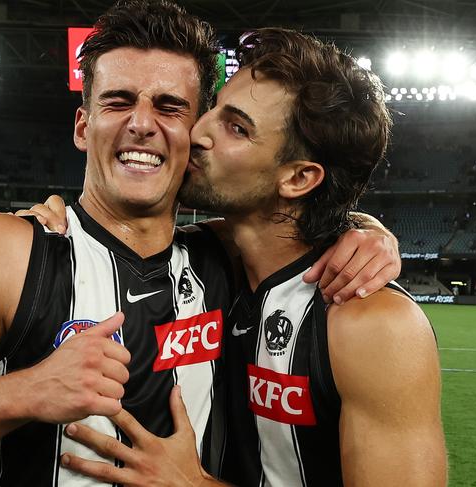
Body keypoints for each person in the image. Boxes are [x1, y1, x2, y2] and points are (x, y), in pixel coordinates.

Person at [0, 3, 398, 485]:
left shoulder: (220, 260)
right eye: (118, 101)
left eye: (170, 106)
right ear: (83, 126)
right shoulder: (9, 253)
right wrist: (24, 392)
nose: (141, 123)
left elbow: (289, 229)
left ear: (192, 130)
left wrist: (361, 230)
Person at [56, 28, 446, 486]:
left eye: (236, 128)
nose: (197, 132)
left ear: (299, 178)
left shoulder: (372, 323)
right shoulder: (211, 262)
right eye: (213, 108)